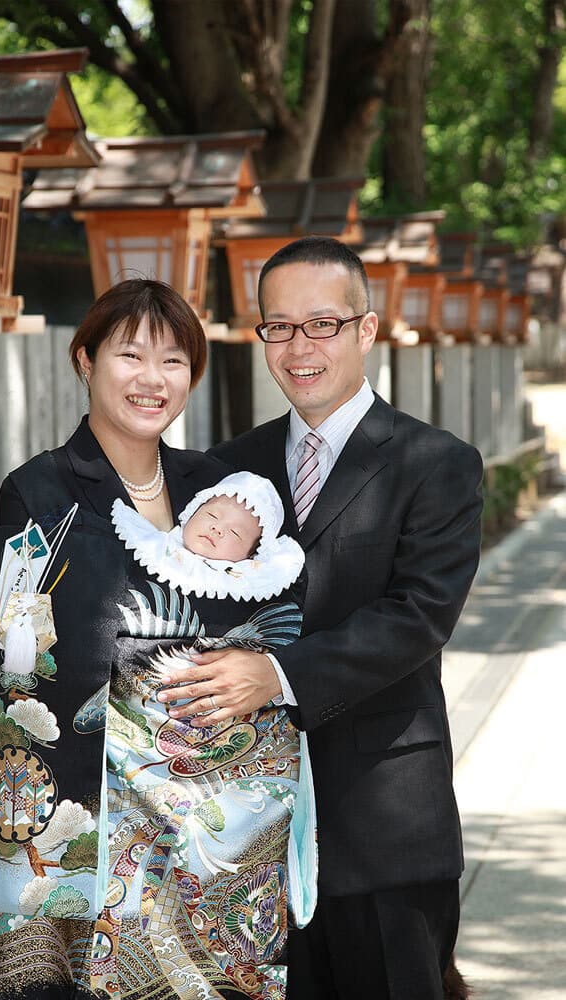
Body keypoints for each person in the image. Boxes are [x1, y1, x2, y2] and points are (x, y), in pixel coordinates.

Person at [158, 236, 484, 1000]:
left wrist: (276, 674)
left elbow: (419, 615)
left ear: (366, 330)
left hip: (383, 819)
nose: (298, 347)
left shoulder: (436, 463)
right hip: (240, 834)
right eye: (279, 326)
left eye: (322, 324)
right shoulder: (224, 468)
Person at [0, 278, 232, 1000]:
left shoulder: (216, 488)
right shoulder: (41, 490)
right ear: (86, 360)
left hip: (194, 808)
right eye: (130, 355)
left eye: (173, 361)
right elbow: (18, 656)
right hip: (77, 798)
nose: (152, 378)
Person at [93, 471, 314, 998]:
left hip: (232, 758)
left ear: (255, 553)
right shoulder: (145, 555)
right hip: (138, 749)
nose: (216, 530)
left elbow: (277, 647)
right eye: (210, 516)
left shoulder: (261, 589)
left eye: (234, 532)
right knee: (129, 894)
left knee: (226, 888)